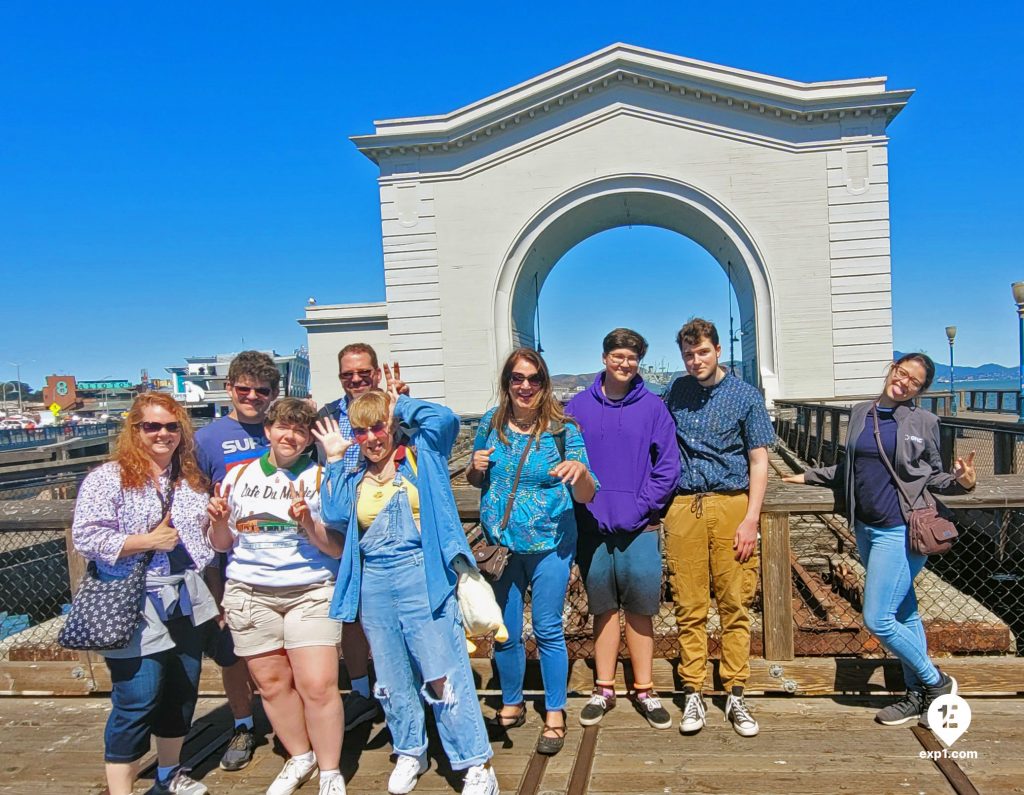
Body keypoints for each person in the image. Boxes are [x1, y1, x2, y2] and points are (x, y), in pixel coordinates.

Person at [316, 371, 499, 795]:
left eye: (378, 426)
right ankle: (410, 750)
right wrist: (334, 457)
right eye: (361, 430)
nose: (371, 438)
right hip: (374, 584)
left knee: (443, 671)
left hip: (424, 575)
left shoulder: (423, 455)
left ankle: (475, 763)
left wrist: (401, 405)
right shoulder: (352, 471)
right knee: (392, 677)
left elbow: (445, 420)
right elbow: (336, 515)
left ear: (392, 425)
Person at [783, 352, 976, 728]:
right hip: (866, 528)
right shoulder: (860, 412)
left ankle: (937, 682)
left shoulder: (924, 420)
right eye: (901, 373)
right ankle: (916, 695)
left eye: (914, 382)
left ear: (921, 390)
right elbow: (851, 465)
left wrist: (964, 482)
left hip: (902, 530)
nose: (903, 382)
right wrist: (807, 477)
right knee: (906, 612)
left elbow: (932, 476)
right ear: (892, 369)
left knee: (878, 618)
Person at [72, 393, 217, 795]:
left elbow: (204, 542)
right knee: (137, 698)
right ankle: (122, 790)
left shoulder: (189, 481)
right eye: (151, 426)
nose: (163, 434)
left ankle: (169, 774)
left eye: (172, 426)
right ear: (134, 430)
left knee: (181, 691)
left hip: (185, 598)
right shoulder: (108, 477)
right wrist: (145, 540)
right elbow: (86, 536)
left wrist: (218, 525)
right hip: (132, 600)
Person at [207, 398, 346, 795]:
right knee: (270, 683)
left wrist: (307, 522)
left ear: (309, 439)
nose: (291, 436)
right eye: (284, 427)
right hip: (250, 592)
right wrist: (218, 521)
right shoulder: (237, 476)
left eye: (300, 431)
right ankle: (299, 755)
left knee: (318, 684)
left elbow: (335, 548)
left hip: (310, 590)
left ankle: (330, 769)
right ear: (267, 430)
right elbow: (222, 542)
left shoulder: (321, 477)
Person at [467, 348, 598, 755]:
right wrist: (475, 466)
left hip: (550, 546)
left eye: (534, 379)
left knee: (546, 629)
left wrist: (579, 475)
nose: (525, 386)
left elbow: (589, 491)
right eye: (517, 378)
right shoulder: (492, 424)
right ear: (507, 383)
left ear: (544, 383)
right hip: (501, 547)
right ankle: (511, 701)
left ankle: (555, 712)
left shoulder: (563, 429)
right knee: (503, 633)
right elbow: (477, 479)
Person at [663, 318, 774, 738]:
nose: (695, 361)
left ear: (717, 351)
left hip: (732, 504)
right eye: (689, 354)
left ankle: (735, 691)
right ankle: (693, 690)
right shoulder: (676, 390)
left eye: (702, 352)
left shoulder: (745, 396)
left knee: (734, 603)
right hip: (684, 505)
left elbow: (758, 459)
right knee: (689, 605)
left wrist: (751, 519)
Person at [565, 329, 680, 730]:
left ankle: (645, 690)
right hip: (593, 526)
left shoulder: (653, 408)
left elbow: (668, 466)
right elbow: (562, 457)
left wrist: (642, 504)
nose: (624, 363)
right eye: (617, 355)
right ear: (604, 358)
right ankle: (604, 688)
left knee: (641, 609)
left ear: (638, 363)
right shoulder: (576, 406)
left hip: (641, 528)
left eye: (631, 358)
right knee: (603, 609)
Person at [314, 342, 409, 731]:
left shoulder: (392, 407)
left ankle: (404, 691)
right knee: (352, 615)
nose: (356, 379)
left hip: (392, 521)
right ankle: (361, 693)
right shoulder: (327, 417)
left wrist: (402, 405)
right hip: (346, 526)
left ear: (376, 370)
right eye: (347, 374)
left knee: (399, 616)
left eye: (363, 372)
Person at [194, 349, 280, 771]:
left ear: (273, 394)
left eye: (261, 390)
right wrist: (212, 583)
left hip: (283, 560)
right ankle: (243, 724)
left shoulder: (282, 429)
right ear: (229, 388)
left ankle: (287, 723)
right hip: (230, 562)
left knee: (282, 650)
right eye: (243, 388)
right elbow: (195, 501)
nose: (252, 396)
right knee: (232, 653)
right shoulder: (207, 438)